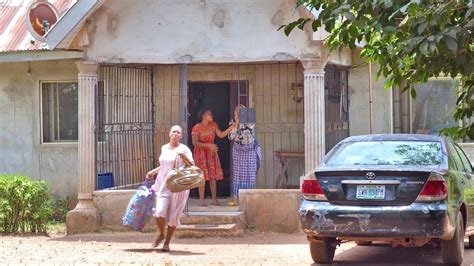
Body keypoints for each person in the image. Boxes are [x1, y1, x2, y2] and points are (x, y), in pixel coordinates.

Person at [145, 125, 193, 252]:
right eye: (173, 131)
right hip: (164, 184)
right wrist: (153, 172)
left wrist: (184, 157)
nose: (175, 134)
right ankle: (161, 233)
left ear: (181, 136)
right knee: (159, 211)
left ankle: (167, 242)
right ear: (169, 133)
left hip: (178, 187)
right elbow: (164, 165)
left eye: (178, 132)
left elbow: (192, 166)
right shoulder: (164, 148)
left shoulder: (184, 149)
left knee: (174, 215)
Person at [192, 108, 236, 206]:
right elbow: (195, 142)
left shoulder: (213, 125)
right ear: (203, 116)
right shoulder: (197, 127)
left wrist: (232, 126)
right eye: (209, 114)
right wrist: (208, 145)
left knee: (213, 176)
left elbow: (221, 135)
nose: (211, 116)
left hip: (211, 153)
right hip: (201, 154)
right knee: (202, 176)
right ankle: (201, 200)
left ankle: (214, 199)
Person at [228, 105, 261, 206]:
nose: (238, 112)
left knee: (249, 174)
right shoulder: (232, 122)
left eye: (241, 111)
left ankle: (248, 199)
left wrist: (242, 121)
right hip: (238, 151)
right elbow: (231, 136)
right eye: (236, 111)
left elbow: (249, 133)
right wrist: (236, 123)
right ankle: (235, 199)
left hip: (250, 150)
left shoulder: (250, 121)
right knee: (237, 174)